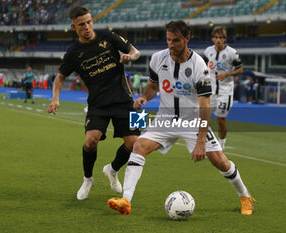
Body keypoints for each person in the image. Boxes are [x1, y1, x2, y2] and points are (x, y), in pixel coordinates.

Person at [107, 20, 254, 216]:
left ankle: (245, 196)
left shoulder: (199, 66)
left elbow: (204, 107)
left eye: (175, 40)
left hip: (192, 120)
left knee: (220, 161)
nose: (171, 44)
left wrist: (201, 141)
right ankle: (126, 200)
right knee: (138, 146)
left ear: (187, 38)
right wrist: (144, 97)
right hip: (165, 118)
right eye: (168, 40)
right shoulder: (158, 58)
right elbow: (153, 86)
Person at [47, 6, 141, 200]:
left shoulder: (109, 36)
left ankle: (112, 169)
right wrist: (55, 98)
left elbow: (135, 51)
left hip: (126, 100)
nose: (87, 27)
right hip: (97, 104)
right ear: (74, 27)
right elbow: (60, 77)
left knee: (136, 145)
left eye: (89, 22)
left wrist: (130, 56)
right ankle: (88, 179)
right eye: (82, 24)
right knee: (90, 141)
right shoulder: (73, 52)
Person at [203, 26, 243, 150]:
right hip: (210, 90)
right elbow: (203, 67)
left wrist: (227, 74)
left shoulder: (232, 53)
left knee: (221, 120)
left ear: (225, 39)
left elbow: (240, 69)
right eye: (216, 37)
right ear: (212, 38)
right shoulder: (208, 51)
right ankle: (205, 141)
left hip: (225, 91)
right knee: (204, 117)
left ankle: (222, 145)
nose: (218, 40)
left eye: (221, 37)